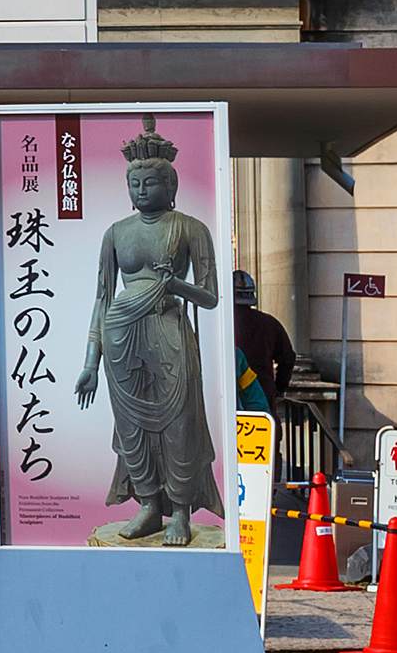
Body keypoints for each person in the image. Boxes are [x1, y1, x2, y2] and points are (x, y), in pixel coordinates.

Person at [73, 117, 226, 547]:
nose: (141, 190)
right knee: (132, 427)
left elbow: (211, 296)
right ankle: (148, 504)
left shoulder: (191, 229)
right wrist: (90, 361)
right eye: (135, 182)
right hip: (121, 334)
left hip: (169, 331)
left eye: (150, 182)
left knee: (179, 422)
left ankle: (180, 510)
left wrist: (177, 285)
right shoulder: (116, 234)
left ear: (170, 185)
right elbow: (102, 298)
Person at [232, 272, 296, 415]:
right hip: (264, 400)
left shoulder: (219, 327)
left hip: (228, 400)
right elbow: (288, 359)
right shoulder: (269, 324)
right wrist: (279, 389)